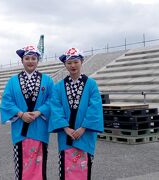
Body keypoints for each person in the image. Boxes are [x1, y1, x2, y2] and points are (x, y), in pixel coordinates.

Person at [49, 47, 104, 180]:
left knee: (84, 167)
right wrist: (66, 128)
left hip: (85, 133)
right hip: (65, 134)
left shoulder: (91, 84)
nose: (73, 65)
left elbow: (95, 107)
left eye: (76, 61)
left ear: (81, 61)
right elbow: (56, 107)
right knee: (66, 166)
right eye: (69, 62)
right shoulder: (58, 87)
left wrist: (83, 127)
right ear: (65, 65)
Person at [0, 45, 54, 180]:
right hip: (20, 130)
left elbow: (53, 101)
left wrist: (38, 112)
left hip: (39, 129)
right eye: (27, 58)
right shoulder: (13, 81)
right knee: (21, 165)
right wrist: (20, 114)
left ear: (38, 60)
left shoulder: (47, 80)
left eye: (34, 58)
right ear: (22, 60)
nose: (30, 61)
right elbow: (7, 102)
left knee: (40, 165)